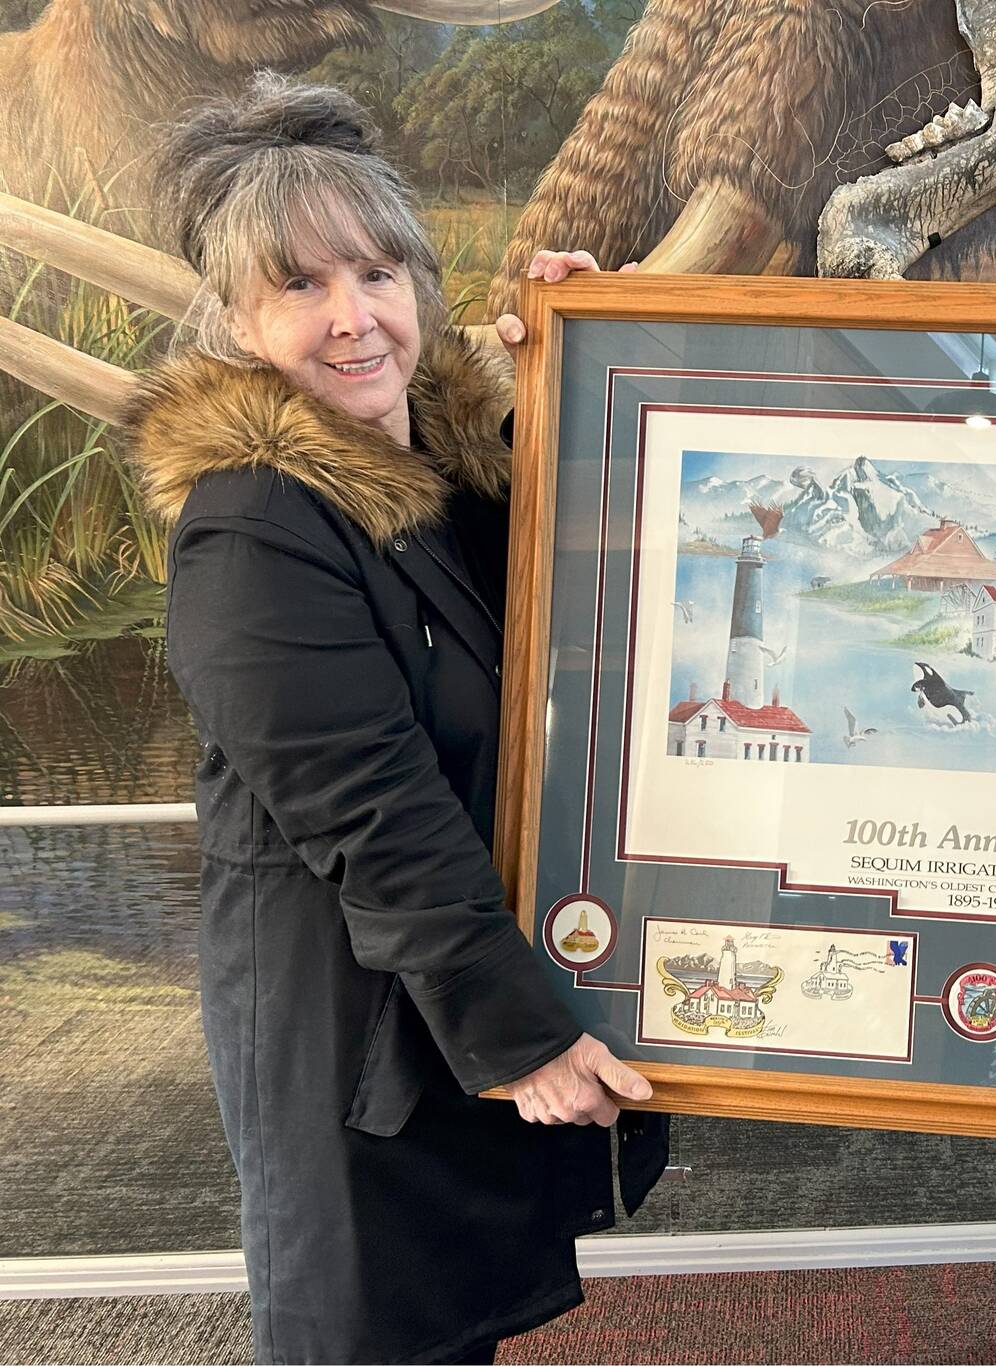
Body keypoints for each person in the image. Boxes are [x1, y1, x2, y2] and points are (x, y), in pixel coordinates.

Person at [122, 74, 666, 1364]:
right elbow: (371, 805)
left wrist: (580, 363)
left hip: (430, 1002)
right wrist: (522, 1033)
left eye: (377, 274)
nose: (354, 319)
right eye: (300, 287)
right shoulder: (256, 521)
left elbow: (541, 575)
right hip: (354, 1031)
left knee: (441, 1327)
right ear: (238, 321)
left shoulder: (418, 467)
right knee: (369, 1333)